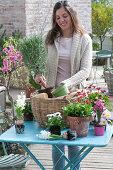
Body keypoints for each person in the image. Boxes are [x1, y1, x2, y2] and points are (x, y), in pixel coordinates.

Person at [35, 1, 92, 169]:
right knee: (57, 139)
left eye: (64, 16)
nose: (61, 20)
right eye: (58, 17)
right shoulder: (50, 38)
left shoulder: (84, 40)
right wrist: (38, 76)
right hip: (54, 97)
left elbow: (85, 70)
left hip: (74, 96)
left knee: (72, 138)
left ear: (72, 15)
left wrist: (67, 82)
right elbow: (39, 65)